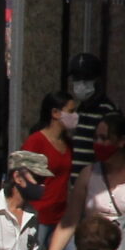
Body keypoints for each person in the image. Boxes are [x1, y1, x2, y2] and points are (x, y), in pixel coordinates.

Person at [47, 110, 125, 250]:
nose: (98, 143)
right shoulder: (88, 174)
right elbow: (69, 221)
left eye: (105, 138)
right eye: (96, 138)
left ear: (122, 141)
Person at [23, 90, 80, 242]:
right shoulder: (36, 141)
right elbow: (22, 177)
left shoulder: (68, 144)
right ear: (55, 113)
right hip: (39, 216)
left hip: (62, 218)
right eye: (71, 111)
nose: (75, 116)